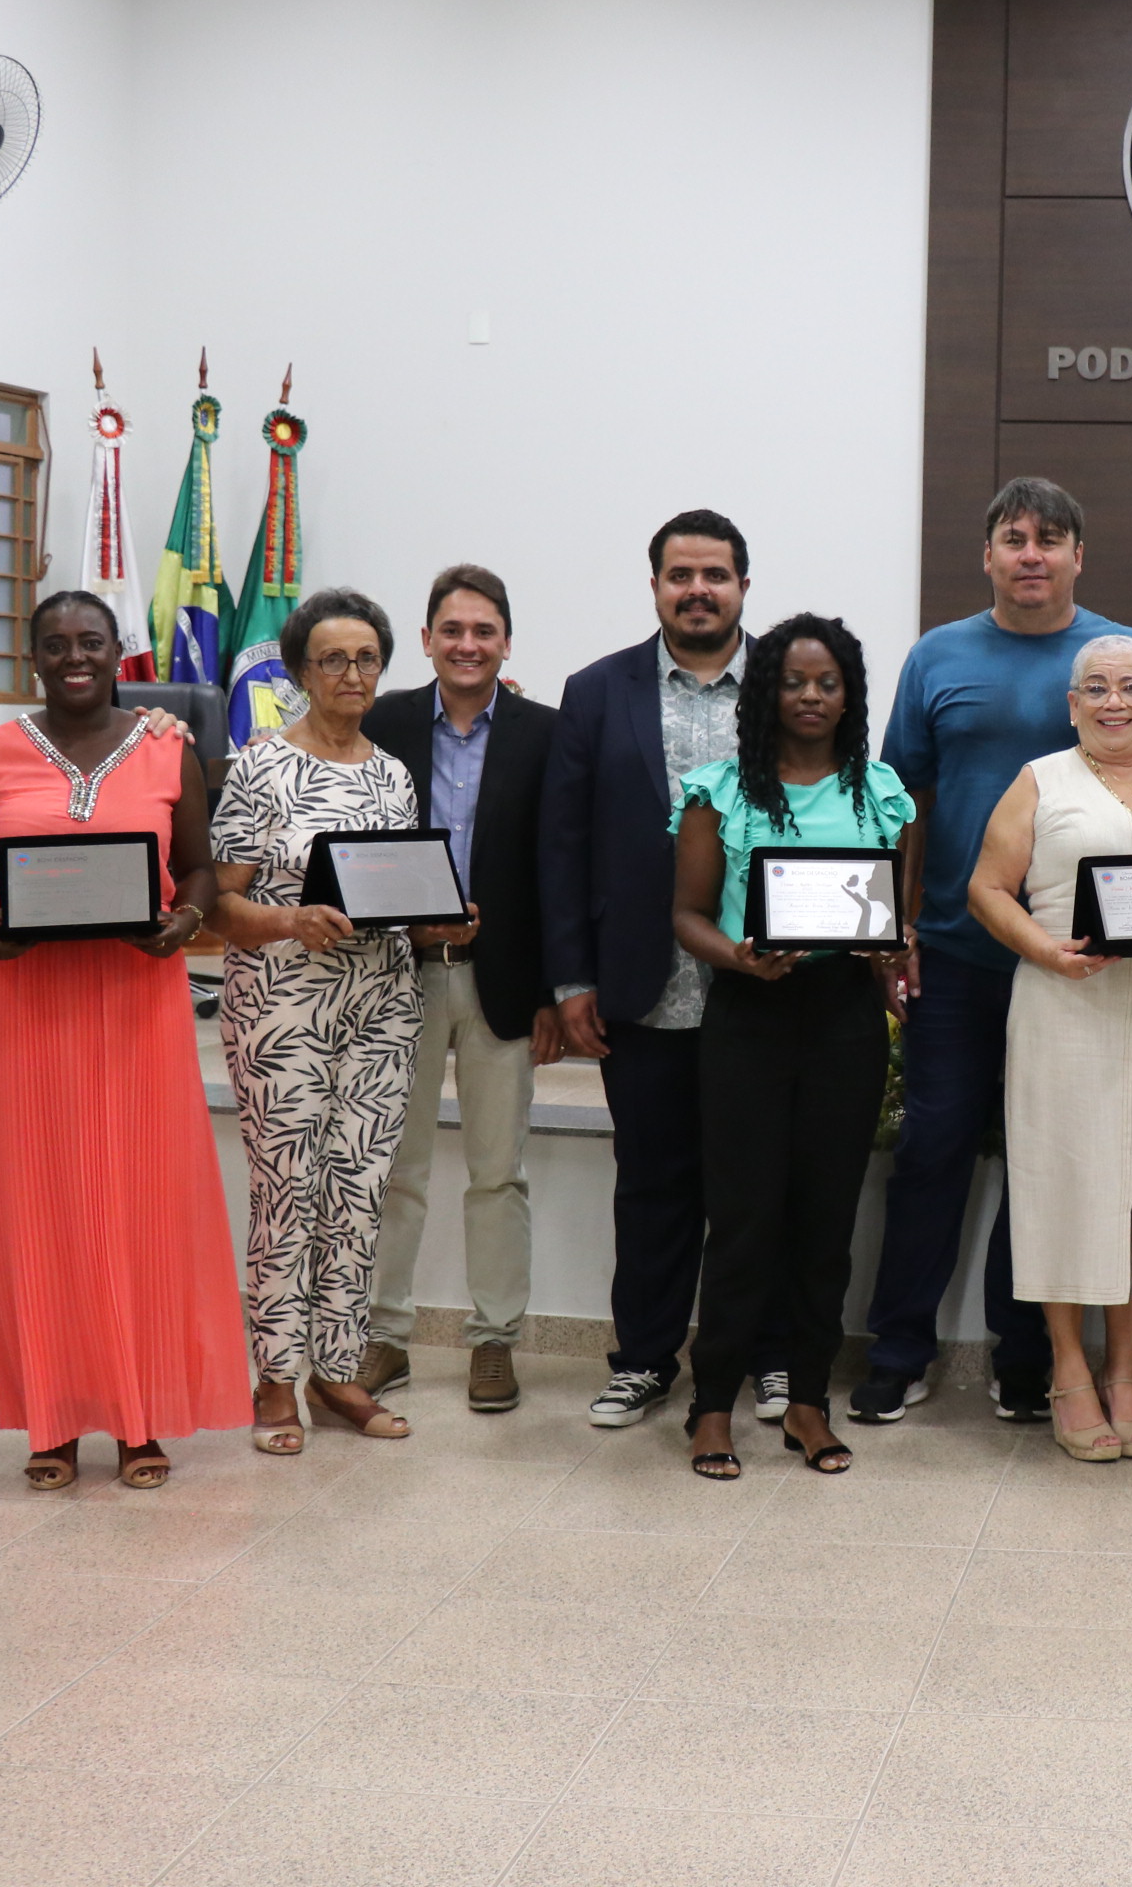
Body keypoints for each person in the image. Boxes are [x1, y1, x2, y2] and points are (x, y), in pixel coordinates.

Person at [853, 477, 1132, 1427]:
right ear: (990, 555)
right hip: (961, 954)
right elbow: (905, 803)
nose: (1033, 554)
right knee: (934, 1147)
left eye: (1052, 539)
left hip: (1089, 968)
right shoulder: (938, 657)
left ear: (1079, 556)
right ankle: (899, 1349)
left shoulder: (1120, 656)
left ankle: (1026, 1358)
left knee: (1052, 1158)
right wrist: (901, 928)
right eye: (1015, 538)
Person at [0, 589, 248, 1490]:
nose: (75, 656)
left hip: (133, 1000)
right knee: (39, 1210)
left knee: (140, 1205)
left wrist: (185, 916)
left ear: (121, 651)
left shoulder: (166, 745)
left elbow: (193, 865)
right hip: (23, 1005)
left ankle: (140, 1416)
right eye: (55, 643)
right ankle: (55, 1419)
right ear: (31, 656)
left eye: (92, 641)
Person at [209, 588, 477, 1453]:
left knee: (359, 1194)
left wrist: (438, 916)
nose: (352, 674)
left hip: (381, 1008)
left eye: (366, 658)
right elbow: (220, 906)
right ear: (298, 671)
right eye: (333, 658)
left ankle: (337, 1372)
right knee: (288, 1194)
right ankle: (276, 1378)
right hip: (284, 1007)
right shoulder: (259, 766)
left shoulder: (391, 772)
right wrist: (292, 918)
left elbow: (392, 891)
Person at [542, 511, 790, 1430]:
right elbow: (562, 846)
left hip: (761, 986)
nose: (698, 590)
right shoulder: (597, 690)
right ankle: (644, 1359)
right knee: (652, 1184)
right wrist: (569, 980)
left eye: (715, 575)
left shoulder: (787, 683)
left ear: (742, 587)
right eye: (680, 574)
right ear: (654, 586)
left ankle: (763, 1356)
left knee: (757, 1187)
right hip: (641, 987)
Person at [668, 614, 918, 1478]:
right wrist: (737, 954)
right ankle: (711, 1408)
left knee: (825, 1222)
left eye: (829, 683)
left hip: (844, 1018)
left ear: (850, 695)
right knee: (741, 1222)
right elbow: (688, 915)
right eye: (793, 682)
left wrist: (894, 949)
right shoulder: (718, 791)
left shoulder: (881, 791)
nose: (811, 697)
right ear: (767, 691)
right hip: (748, 1015)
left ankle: (807, 1402)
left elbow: (895, 916)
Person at [969, 634, 1132, 1460]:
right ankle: (1070, 1373)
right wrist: (1043, 949)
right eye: (1095, 688)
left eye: (1131, 688)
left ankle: (1125, 1375)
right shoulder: (1040, 780)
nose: (1114, 700)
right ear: (1071, 704)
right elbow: (985, 888)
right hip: (1064, 1008)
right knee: (1068, 1183)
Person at [360, 565, 562, 1416]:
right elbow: (358, 846)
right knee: (394, 1170)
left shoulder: (548, 732)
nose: (468, 644)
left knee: (495, 1172)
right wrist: (404, 924)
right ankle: (383, 1336)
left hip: (503, 985)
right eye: (452, 629)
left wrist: (557, 989)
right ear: (429, 637)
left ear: (506, 641)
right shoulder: (383, 721)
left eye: (484, 630)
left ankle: (493, 1340)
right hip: (397, 976)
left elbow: (560, 865)